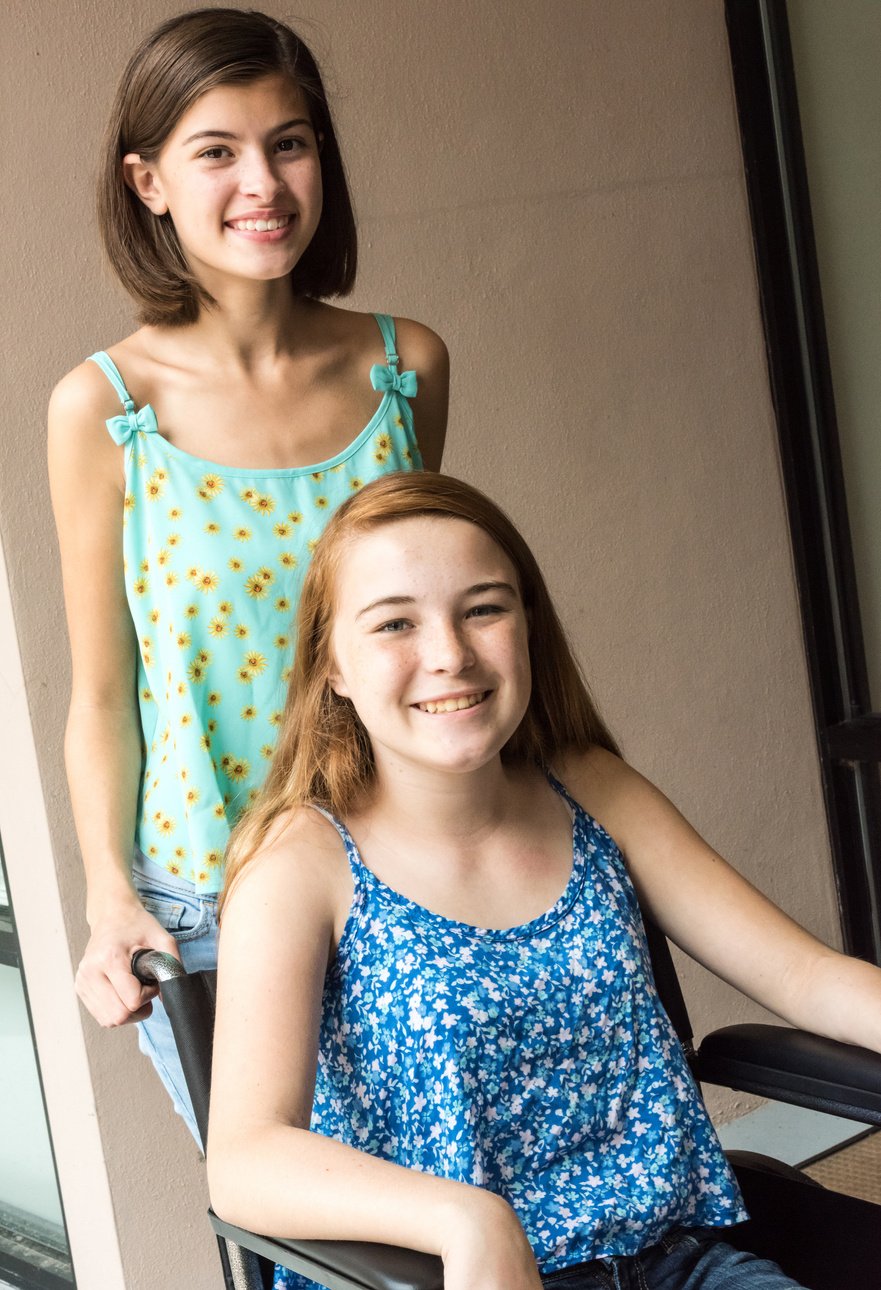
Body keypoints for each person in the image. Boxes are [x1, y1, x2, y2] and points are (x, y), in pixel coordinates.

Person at [208, 471, 881, 1290]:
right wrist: (465, 1218)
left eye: (483, 608)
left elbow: (800, 974)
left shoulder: (589, 787)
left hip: (675, 1262)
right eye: (394, 624)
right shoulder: (300, 862)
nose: (449, 655)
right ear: (333, 669)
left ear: (528, 626)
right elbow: (243, 1158)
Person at [47, 8, 448, 1141]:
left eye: (290, 142)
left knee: (463, 1200)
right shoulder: (105, 411)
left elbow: (415, 643)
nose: (262, 181)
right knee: (320, 1238)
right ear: (149, 182)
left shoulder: (401, 369)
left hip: (405, 863)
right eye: (215, 150)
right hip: (208, 901)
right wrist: (107, 896)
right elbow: (99, 696)